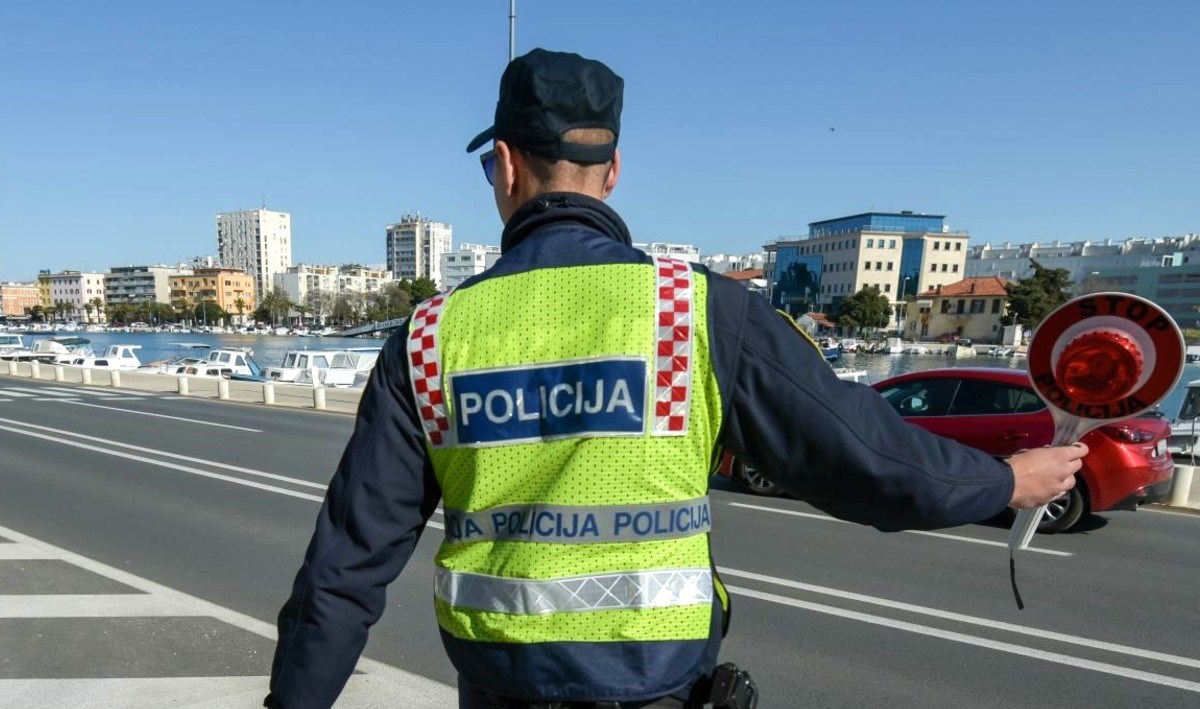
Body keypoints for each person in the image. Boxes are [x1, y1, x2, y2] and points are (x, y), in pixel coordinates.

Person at [265, 48, 1086, 709]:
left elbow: (346, 565)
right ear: (612, 170)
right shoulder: (693, 312)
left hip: (501, 690)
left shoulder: (431, 335)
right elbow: (865, 460)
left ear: (506, 167)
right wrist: (1002, 478)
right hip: (659, 686)